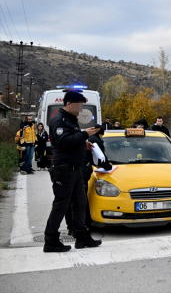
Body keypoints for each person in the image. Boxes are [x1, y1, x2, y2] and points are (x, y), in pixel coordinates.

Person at [43, 89, 102, 253]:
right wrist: (85, 134)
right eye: (79, 105)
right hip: (64, 169)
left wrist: (84, 144)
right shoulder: (59, 120)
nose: (81, 109)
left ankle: (82, 237)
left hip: (75, 169)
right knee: (61, 205)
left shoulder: (70, 119)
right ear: (69, 104)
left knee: (80, 203)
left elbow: (72, 140)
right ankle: (50, 241)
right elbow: (62, 142)